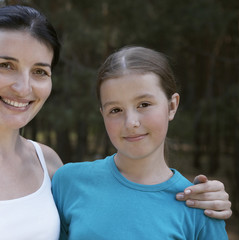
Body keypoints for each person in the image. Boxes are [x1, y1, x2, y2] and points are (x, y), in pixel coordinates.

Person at [0, 5, 231, 240]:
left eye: (39, 71)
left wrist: (209, 199)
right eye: (5, 65)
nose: (23, 86)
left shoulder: (50, 167)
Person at [51, 46, 229, 239]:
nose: (131, 123)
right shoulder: (69, 182)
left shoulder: (200, 208)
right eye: (116, 110)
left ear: (172, 106)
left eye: (143, 105)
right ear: (102, 114)